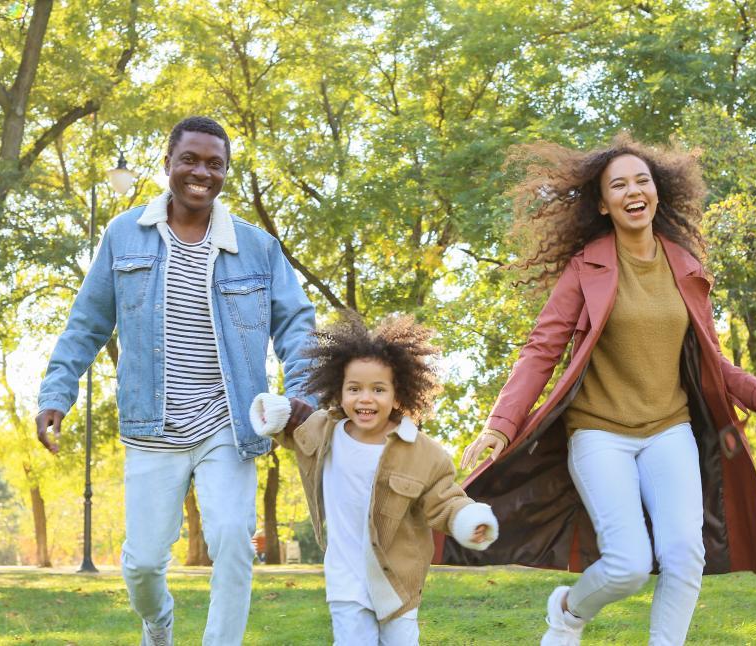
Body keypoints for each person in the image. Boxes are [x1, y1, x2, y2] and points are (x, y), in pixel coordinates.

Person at [452, 135, 756, 646]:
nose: (633, 190)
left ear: (657, 192)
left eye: (642, 180)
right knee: (628, 565)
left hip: (669, 428)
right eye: (619, 184)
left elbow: (712, 358)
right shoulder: (587, 266)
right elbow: (541, 350)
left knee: (685, 554)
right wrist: (500, 425)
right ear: (602, 203)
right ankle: (569, 611)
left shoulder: (685, 265)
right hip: (599, 432)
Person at [35, 116, 316, 646]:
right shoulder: (124, 235)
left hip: (227, 424)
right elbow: (87, 322)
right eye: (190, 159)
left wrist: (301, 392)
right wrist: (57, 393)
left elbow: (297, 326)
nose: (201, 172)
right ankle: (159, 624)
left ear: (226, 172)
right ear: (167, 165)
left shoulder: (258, 248)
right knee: (141, 564)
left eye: (215, 163)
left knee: (233, 538)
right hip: (152, 425)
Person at [250, 315, 499, 646]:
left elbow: (445, 499)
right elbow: (295, 424)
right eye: (354, 389)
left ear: (399, 395)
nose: (364, 399)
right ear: (339, 390)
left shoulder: (422, 453)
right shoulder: (325, 431)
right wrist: (273, 412)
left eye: (378, 390)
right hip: (345, 577)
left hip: (397, 580)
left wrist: (468, 519)